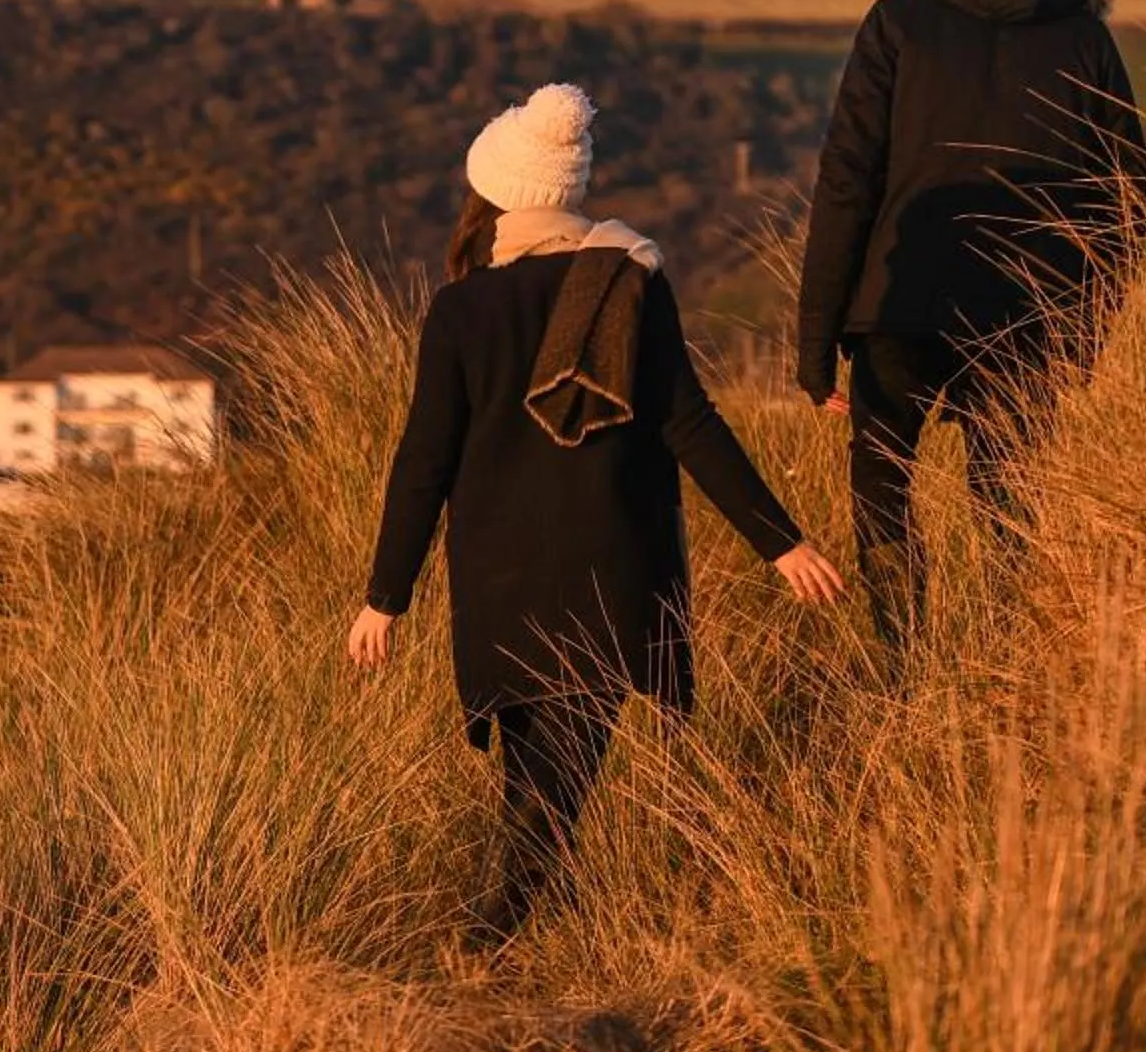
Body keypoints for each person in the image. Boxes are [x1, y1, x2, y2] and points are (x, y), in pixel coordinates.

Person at [348, 82, 845, 941]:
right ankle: (507, 937)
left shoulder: (464, 308)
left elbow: (423, 462)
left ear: (495, 193)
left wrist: (385, 596)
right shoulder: (629, 282)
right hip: (609, 569)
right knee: (555, 778)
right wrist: (780, 541)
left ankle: (505, 937)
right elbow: (688, 422)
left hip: (499, 579)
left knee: (542, 776)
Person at [795, 0, 1146, 661]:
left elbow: (847, 180)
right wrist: (1084, 326)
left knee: (883, 487)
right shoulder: (1081, 35)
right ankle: (1008, 668)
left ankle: (905, 664)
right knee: (1012, 500)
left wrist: (816, 347)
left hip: (899, 304)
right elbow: (1126, 196)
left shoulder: (896, 23)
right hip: (1029, 316)